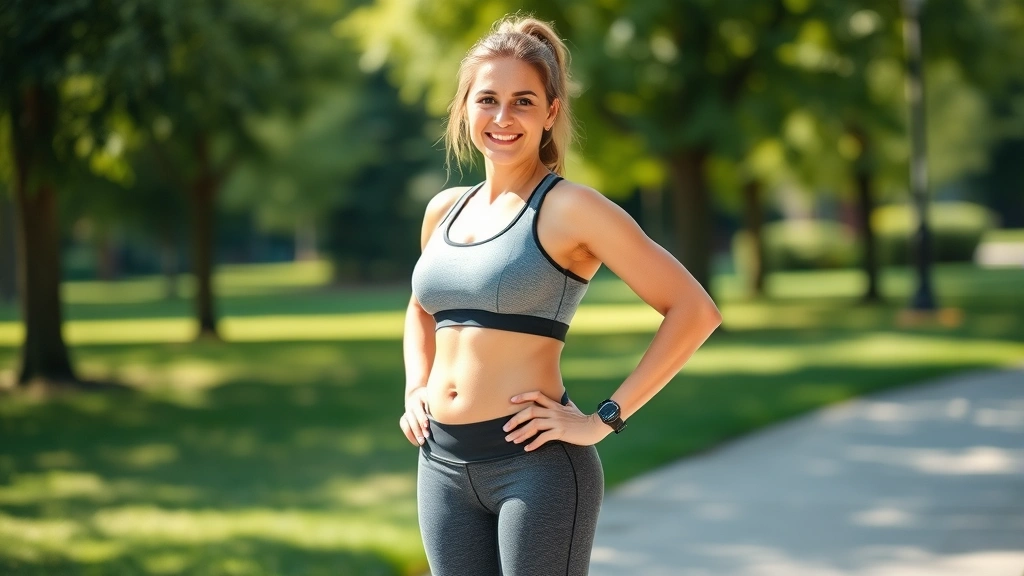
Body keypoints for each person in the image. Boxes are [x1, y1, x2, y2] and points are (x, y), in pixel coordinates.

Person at [402, 14, 722, 576]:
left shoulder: (571, 208)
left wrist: (605, 417)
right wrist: (415, 386)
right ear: (465, 106)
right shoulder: (443, 209)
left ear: (551, 112)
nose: (503, 118)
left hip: (536, 470)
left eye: (523, 101)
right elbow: (422, 306)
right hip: (442, 467)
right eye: (488, 100)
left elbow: (694, 310)